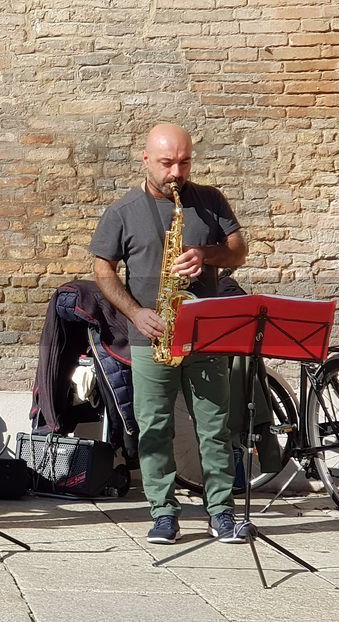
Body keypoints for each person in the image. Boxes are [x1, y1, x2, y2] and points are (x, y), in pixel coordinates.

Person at [90, 123, 249, 544]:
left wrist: (207, 253)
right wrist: (135, 313)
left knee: (214, 426)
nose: (176, 172)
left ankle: (222, 511)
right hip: (151, 334)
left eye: (184, 162)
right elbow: (102, 270)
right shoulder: (122, 212)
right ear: (145, 160)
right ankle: (163, 511)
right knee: (154, 425)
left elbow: (238, 251)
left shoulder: (209, 201)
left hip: (205, 333)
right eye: (166, 163)